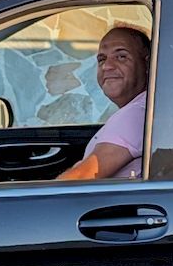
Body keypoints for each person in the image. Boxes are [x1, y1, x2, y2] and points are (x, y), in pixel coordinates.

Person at [57, 24, 150, 180]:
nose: (107, 66)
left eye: (121, 56)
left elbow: (80, 178)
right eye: (102, 59)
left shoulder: (136, 113)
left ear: (147, 64)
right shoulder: (143, 107)